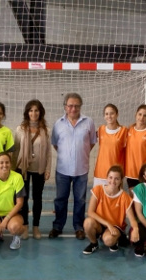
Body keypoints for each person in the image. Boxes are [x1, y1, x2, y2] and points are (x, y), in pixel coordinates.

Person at [49, 93, 97, 240]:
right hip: (62, 170)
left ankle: (79, 227)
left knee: (80, 200)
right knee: (60, 199)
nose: (73, 108)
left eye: (76, 105)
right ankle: (58, 226)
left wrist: (80, 154)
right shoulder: (58, 124)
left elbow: (92, 142)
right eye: (70, 105)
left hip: (81, 170)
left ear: (80, 107)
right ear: (65, 107)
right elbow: (55, 144)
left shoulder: (89, 122)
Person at [12, 99, 52, 240]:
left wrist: (47, 169)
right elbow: (16, 150)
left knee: (37, 198)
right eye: (31, 110)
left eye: (36, 110)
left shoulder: (46, 130)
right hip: (22, 169)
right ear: (27, 112)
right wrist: (13, 168)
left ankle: (36, 227)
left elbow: (48, 152)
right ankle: (25, 226)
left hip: (39, 170)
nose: (33, 113)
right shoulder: (20, 129)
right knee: (23, 198)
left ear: (40, 112)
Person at [82, 165, 139, 254]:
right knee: (88, 222)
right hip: (100, 224)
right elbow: (90, 212)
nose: (113, 181)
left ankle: (115, 240)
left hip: (115, 226)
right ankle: (94, 243)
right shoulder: (98, 190)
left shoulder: (124, 197)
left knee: (108, 240)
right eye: (110, 177)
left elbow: (132, 219)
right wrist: (107, 224)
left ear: (121, 180)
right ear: (106, 178)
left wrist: (135, 229)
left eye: (116, 179)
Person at [125, 105, 146, 190]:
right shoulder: (129, 129)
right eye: (139, 114)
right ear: (135, 114)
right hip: (131, 171)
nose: (141, 117)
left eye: (145, 115)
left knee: (145, 199)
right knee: (133, 198)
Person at [93, 104, 128, 187]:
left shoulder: (124, 131)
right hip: (100, 172)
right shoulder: (100, 129)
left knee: (115, 198)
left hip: (115, 174)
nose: (109, 116)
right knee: (99, 199)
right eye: (106, 114)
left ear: (117, 114)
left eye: (112, 113)